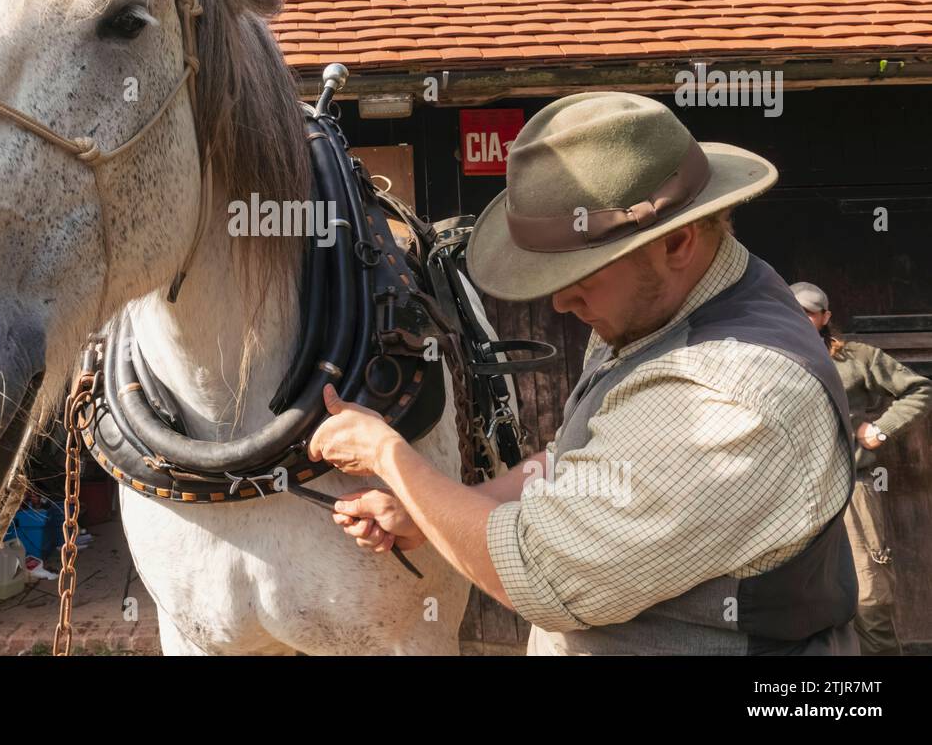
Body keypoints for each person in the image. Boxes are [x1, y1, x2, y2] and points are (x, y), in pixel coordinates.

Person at [309, 91, 859, 655]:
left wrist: (389, 458)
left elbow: (542, 575)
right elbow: (573, 466)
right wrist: (427, 512)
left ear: (675, 241)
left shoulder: (728, 397)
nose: (561, 302)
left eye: (582, 273)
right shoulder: (666, 306)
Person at [790, 281, 932, 655]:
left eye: (809, 312)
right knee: (797, 604)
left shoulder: (855, 358)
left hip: (852, 491)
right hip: (790, 498)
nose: (800, 318)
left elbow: (918, 389)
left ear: (825, 317)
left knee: (870, 600)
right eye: (793, 310)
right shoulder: (768, 359)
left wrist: (880, 430)